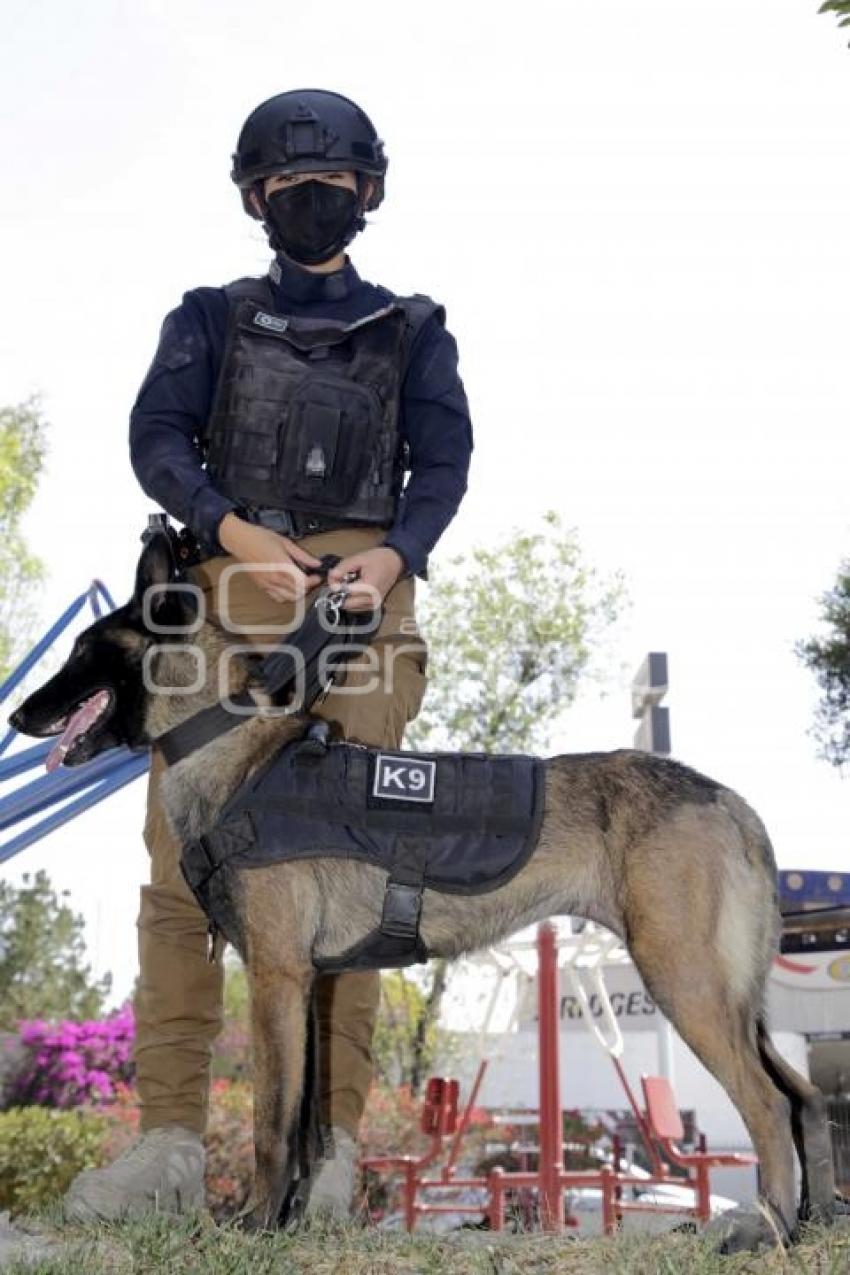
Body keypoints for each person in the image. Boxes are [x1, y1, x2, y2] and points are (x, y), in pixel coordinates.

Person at [63, 88, 473, 1222]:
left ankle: (330, 1150)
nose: (313, 201)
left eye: (332, 185)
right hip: (223, 595)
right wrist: (235, 530)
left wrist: (390, 561)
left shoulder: (415, 329)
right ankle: (170, 1148)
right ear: (254, 197)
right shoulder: (205, 317)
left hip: (362, 604)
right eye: (291, 187)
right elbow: (155, 438)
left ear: (370, 193)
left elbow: (442, 467)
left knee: (352, 871)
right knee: (180, 869)